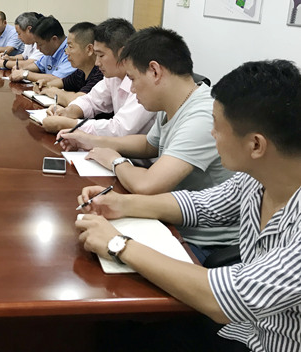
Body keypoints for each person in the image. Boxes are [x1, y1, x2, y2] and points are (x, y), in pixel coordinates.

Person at [75, 59, 301, 351]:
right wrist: (120, 204)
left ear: (256, 145)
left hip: (269, 342)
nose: (212, 134)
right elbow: (201, 205)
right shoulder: (258, 177)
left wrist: (118, 244)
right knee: (116, 328)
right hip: (246, 327)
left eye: (217, 127)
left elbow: (223, 298)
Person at [60, 27, 238, 255]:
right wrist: (91, 140)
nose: (132, 89)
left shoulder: (202, 115)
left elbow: (147, 185)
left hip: (200, 241)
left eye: (133, 79)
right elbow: (149, 144)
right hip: (169, 220)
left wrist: (115, 161)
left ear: (155, 71)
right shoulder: (174, 101)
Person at [42, 18, 154, 136]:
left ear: (122, 53)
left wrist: (71, 124)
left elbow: (120, 129)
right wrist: (67, 111)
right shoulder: (112, 76)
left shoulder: (143, 81)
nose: (97, 63)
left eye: (101, 55)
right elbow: (91, 101)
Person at [33, 21, 103, 106]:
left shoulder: (101, 74)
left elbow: (79, 102)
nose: (66, 52)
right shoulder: (80, 72)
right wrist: (43, 84)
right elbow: (61, 82)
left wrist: (54, 92)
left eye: (70, 47)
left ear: (89, 49)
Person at [9, 15, 76, 84]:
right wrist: (21, 69)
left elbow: (58, 79)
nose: (37, 48)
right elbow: (38, 65)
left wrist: (25, 74)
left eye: (40, 44)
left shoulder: (71, 52)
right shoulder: (51, 50)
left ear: (54, 39)